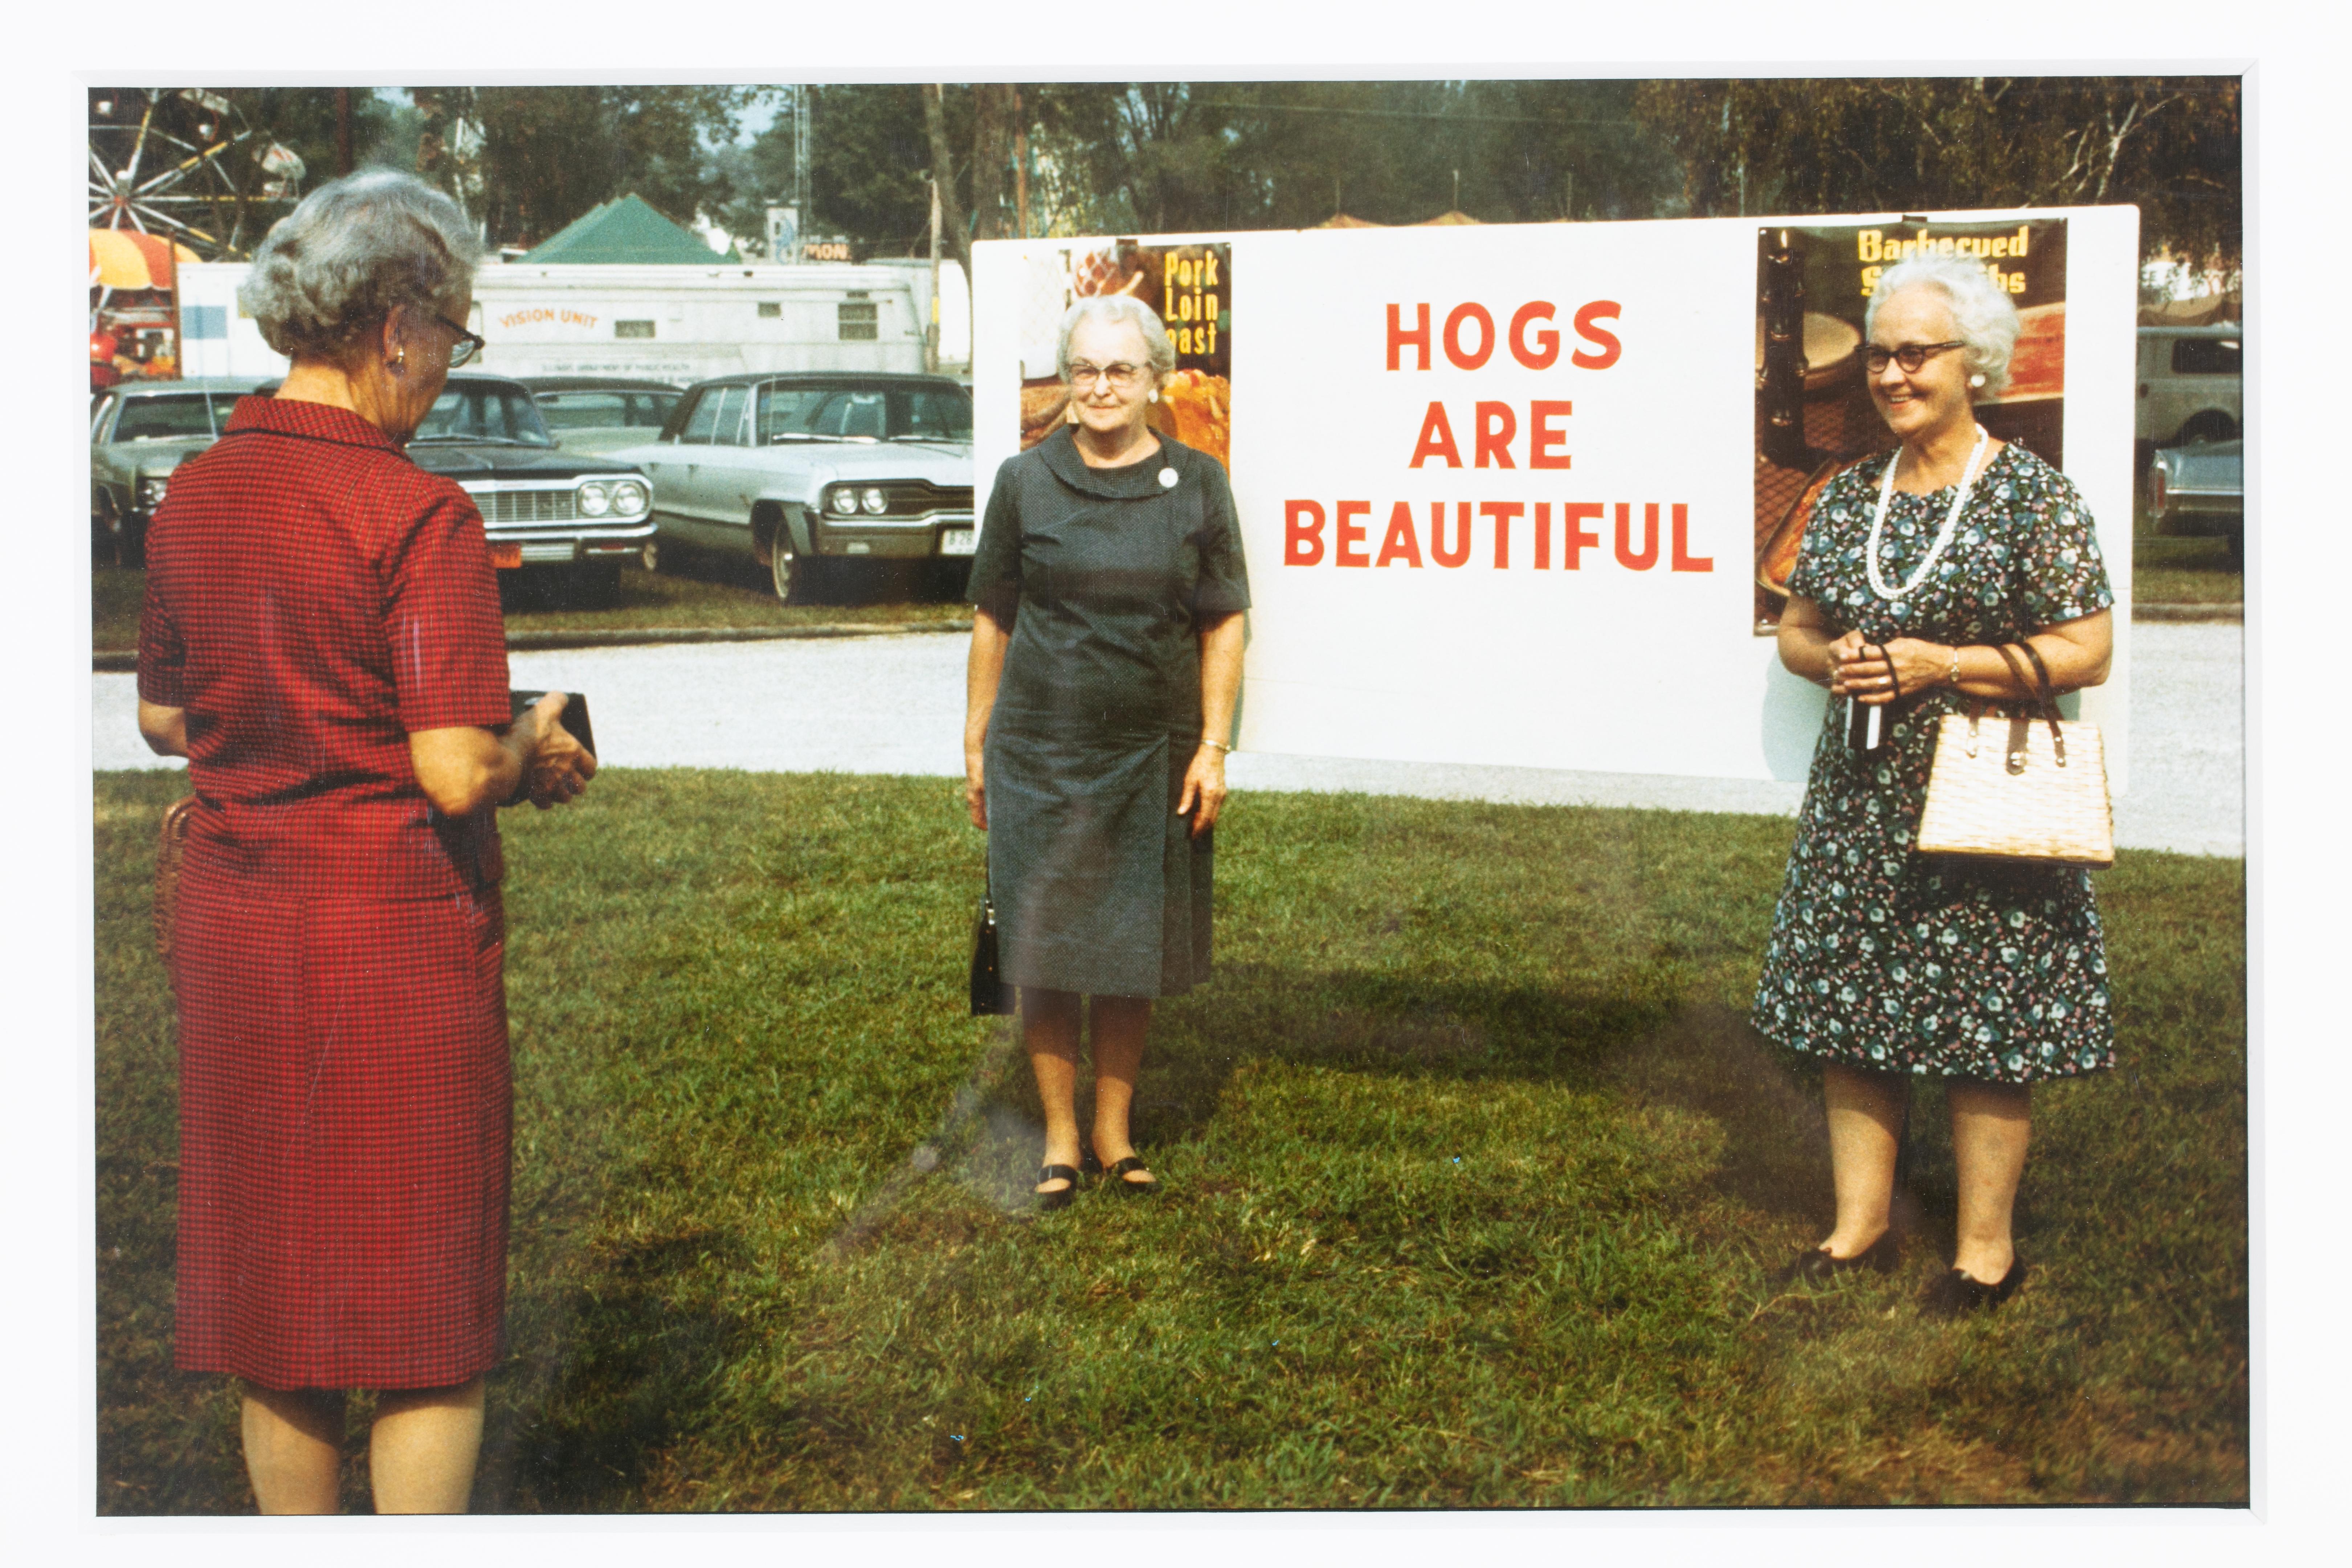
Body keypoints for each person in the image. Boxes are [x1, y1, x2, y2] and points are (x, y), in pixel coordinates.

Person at [135, 170, 595, 1512]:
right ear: (396, 325)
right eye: (451, 336)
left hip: (239, 933)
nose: (448, 369)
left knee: (273, 1304)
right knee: (420, 1324)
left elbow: (168, 713)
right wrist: (534, 745)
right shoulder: (419, 515)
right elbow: (454, 768)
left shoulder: (196, 494)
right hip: (389, 944)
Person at [1752, 253, 2116, 1316]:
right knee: (1852, 1009)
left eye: (1917, 353)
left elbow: (2087, 648)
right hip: (1861, 794)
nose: (1893, 374)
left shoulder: (2029, 494)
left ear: (1977, 365)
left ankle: (1985, 1253)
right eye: (1880, 354)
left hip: (1982, 794)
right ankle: (1857, 1226)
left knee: (1987, 1019)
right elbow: (1799, 633)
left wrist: (1940, 664)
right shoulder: (1850, 492)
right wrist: (1842, 663)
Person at [963, 294, 1250, 1208]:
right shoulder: (1026, 481)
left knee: (1132, 944)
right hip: (1039, 750)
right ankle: (1057, 1139)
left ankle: (1114, 1134)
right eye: (1084, 368)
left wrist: (1213, 746)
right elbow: (991, 618)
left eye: (1120, 370)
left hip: (1151, 755)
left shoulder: (1200, 483)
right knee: (1048, 943)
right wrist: (975, 744)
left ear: (1156, 379)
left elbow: (1226, 621)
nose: (1100, 386)